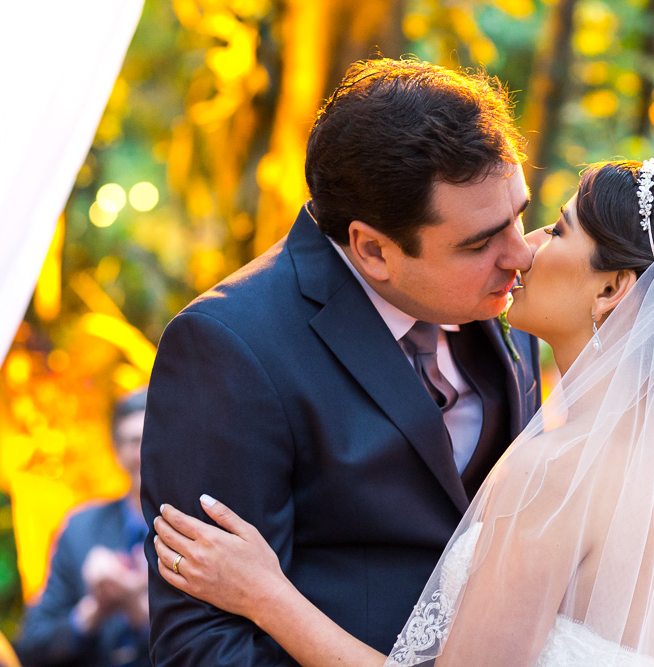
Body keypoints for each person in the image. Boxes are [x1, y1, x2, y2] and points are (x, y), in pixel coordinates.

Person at [152, 155, 654, 665]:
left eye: (559, 231)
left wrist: (267, 595)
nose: (526, 246)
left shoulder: (558, 471)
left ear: (611, 290)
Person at [139, 58, 543, 664]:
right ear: (373, 249)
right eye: (479, 243)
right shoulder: (229, 345)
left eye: (518, 216)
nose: (521, 254)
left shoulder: (512, 305)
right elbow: (203, 643)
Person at [16, 389, 150, 667]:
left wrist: (139, 611)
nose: (143, 452)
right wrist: (91, 613)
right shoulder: (81, 529)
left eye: (152, 438)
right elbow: (32, 644)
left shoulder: (196, 526)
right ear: (115, 449)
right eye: (134, 440)